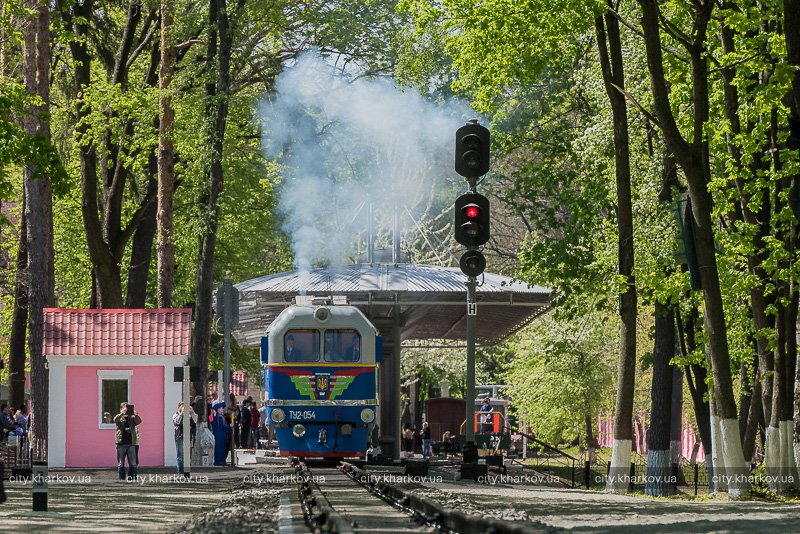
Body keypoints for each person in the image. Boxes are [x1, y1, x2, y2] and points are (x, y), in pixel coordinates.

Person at [113, 402, 142, 481]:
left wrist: (135, 415)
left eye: (127, 408)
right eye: (124, 408)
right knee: (121, 463)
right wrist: (122, 414)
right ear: (121, 409)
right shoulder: (120, 418)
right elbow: (115, 419)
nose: (126, 409)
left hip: (131, 443)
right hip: (121, 443)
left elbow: (139, 421)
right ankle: (121, 479)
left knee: (133, 463)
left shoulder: (131, 418)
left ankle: (132, 479)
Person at [173, 401, 197, 474]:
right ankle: (180, 471)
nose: (184, 408)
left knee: (186, 455)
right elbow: (178, 422)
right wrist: (182, 413)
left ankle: (186, 471)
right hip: (179, 437)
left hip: (187, 437)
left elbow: (195, 420)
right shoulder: (175, 415)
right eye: (182, 407)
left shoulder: (189, 415)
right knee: (180, 455)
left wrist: (192, 412)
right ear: (179, 407)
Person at [211, 402, 230, 466]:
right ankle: (219, 462)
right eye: (221, 408)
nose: (222, 409)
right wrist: (230, 426)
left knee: (221, 450)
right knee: (220, 450)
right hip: (220, 436)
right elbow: (222, 426)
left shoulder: (216, 416)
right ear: (218, 409)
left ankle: (221, 461)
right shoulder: (219, 417)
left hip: (219, 435)